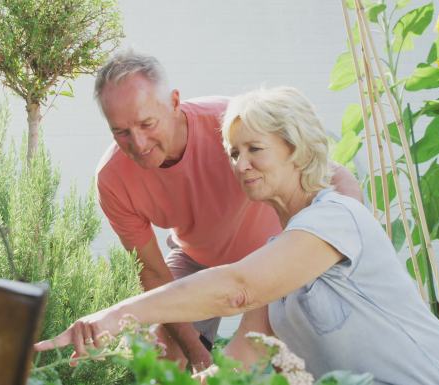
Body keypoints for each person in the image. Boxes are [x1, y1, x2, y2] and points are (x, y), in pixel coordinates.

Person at [36, 87, 439, 384]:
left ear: (297, 150)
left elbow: (236, 288)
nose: (240, 165)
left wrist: (113, 317)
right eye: (234, 153)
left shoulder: (336, 218)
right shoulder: (277, 261)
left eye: (255, 149)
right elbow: (241, 364)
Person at [91, 50, 362, 370]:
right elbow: (152, 272)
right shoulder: (113, 179)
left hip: (274, 255)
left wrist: (350, 243)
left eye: (147, 123)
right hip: (196, 260)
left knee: (285, 360)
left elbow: (336, 175)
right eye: (120, 132)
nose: (137, 142)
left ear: (175, 102)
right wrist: (197, 353)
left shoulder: (232, 124)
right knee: (165, 353)